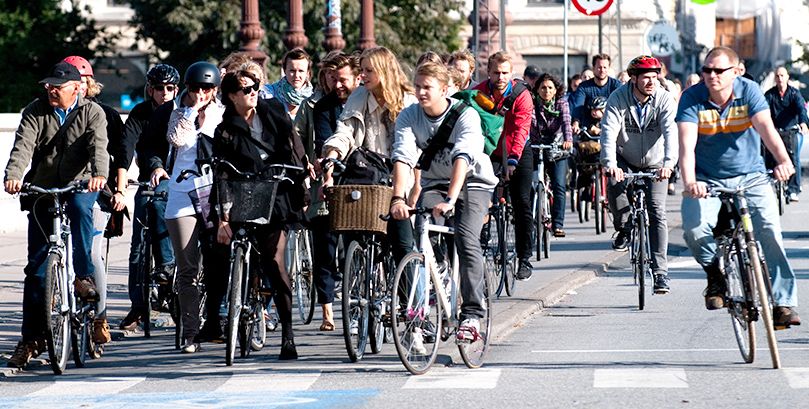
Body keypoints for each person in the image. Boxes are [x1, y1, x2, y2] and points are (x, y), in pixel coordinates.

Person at [677, 46, 800, 328]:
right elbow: (686, 148)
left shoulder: (749, 92)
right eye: (707, 70)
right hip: (706, 181)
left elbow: (767, 130)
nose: (711, 76)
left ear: (736, 72)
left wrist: (784, 162)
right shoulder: (691, 98)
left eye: (719, 70)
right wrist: (689, 183)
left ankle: (783, 302)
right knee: (694, 230)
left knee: (769, 230)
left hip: (751, 177)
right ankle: (714, 276)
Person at [4, 61, 109, 368]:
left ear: (77, 87)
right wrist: (13, 175)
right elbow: (22, 146)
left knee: (79, 207)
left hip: (82, 183)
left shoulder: (93, 113)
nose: (50, 90)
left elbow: (98, 149)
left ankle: (82, 277)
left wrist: (99, 175)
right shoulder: (35, 110)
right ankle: (31, 339)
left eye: (57, 86)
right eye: (48, 85)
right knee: (36, 270)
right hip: (44, 188)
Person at [391, 61, 497, 345]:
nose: (421, 92)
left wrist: (451, 198)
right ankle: (435, 292)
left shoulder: (466, 116)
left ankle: (473, 313)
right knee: (421, 234)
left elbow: (463, 157)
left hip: (473, 183)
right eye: (417, 86)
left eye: (428, 87)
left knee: (465, 236)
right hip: (435, 183)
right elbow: (403, 157)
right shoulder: (409, 115)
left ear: (445, 89)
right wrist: (398, 197)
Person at [213, 67, 309, 360]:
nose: (253, 91)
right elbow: (221, 174)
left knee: (273, 259)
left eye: (255, 86)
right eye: (245, 89)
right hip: (243, 193)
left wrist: (302, 179)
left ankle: (288, 336)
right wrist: (222, 218)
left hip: (275, 191)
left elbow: (294, 146)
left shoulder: (273, 111)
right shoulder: (225, 129)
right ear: (231, 96)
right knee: (220, 248)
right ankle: (222, 315)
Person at [321, 46, 419, 265]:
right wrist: (332, 153)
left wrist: (410, 187)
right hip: (366, 176)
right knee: (353, 229)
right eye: (361, 70)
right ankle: (357, 284)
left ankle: (408, 299)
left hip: (399, 176)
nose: (361, 75)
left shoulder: (408, 102)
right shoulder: (359, 96)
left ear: (383, 72)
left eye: (368, 70)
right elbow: (345, 130)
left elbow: (411, 148)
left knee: (402, 243)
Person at [162, 61, 227, 353]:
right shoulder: (178, 113)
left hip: (213, 194)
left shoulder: (224, 115)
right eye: (196, 88)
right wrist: (191, 111)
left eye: (207, 88)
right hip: (182, 193)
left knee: (216, 262)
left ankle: (218, 319)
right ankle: (189, 332)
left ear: (215, 90)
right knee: (187, 268)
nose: (201, 93)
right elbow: (178, 140)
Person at [61, 56, 126, 345]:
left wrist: (117, 188)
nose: (80, 88)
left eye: (84, 82)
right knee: (59, 248)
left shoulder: (105, 114)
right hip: (63, 188)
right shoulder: (55, 111)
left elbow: (117, 155)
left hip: (96, 191)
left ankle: (100, 317)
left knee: (93, 252)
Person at [600, 55, 678, 294]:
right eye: (646, 78)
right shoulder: (618, 98)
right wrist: (610, 163)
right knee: (614, 184)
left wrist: (668, 163)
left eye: (655, 77)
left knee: (657, 211)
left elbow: (670, 132)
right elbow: (609, 131)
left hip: (656, 163)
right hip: (625, 157)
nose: (651, 82)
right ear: (633, 78)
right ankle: (623, 228)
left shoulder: (664, 99)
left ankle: (660, 273)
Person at [117, 64, 180, 331]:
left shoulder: (182, 112)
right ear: (149, 89)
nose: (163, 94)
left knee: (163, 213)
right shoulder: (141, 112)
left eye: (169, 89)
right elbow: (127, 145)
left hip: (179, 181)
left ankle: (168, 268)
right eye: (158, 89)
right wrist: (121, 179)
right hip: (149, 179)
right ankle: (138, 305)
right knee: (138, 243)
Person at [311, 52, 362, 331]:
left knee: (357, 244)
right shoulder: (323, 107)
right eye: (335, 80)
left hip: (362, 180)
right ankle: (327, 309)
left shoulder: (365, 101)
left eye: (344, 80)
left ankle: (357, 300)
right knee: (325, 242)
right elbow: (324, 142)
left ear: (357, 78)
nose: (339, 86)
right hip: (331, 179)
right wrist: (327, 171)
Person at [473, 51, 535, 280]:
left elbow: (521, 129)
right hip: (489, 151)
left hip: (517, 150)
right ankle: (480, 244)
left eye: (505, 73)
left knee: (521, 201)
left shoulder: (521, 95)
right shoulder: (478, 92)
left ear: (512, 73)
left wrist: (513, 160)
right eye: (496, 72)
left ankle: (525, 258)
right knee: (479, 199)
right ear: (488, 72)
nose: (500, 77)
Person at [531, 73, 572, 237]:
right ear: (538, 90)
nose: (546, 91)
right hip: (536, 146)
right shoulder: (533, 104)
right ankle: (532, 219)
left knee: (559, 187)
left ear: (556, 90)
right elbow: (528, 122)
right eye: (543, 88)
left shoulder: (561, 103)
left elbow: (566, 122)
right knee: (530, 185)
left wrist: (568, 140)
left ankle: (558, 224)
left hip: (557, 148)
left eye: (550, 88)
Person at [764, 66, 808, 202]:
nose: (780, 79)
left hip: (790, 130)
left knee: (793, 158)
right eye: (777, 76)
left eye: (782, 75)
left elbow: (801, 109)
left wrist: (803, 123)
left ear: (787, 77)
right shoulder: (770, 94)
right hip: (775, 131)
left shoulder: (794, 94)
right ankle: (769, 185)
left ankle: (793, 189)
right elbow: (763, 111)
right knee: (769, 157)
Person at [570, 54, 622, 135]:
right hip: (588, 128)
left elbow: (622, 105)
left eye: (605, 67)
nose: (602, 70)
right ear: (593, 68)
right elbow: (578, 106)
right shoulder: (584, 87)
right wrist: (576, 123)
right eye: (599, 67)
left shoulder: (616, 85)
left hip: (611, 126)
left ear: (608, 68)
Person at [262, 48, 313, 119]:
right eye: (292, 71)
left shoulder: (313, 100)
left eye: (301, 71)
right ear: (285, 71)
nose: (296, 75)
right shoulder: (268, 93)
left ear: (307, 73)